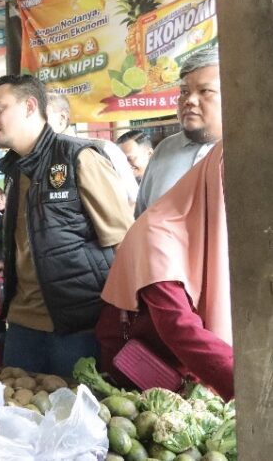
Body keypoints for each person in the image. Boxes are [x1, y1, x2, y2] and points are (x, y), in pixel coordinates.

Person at [0, 74, 133, 376]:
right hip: (22, 323)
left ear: (29, 106)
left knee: (77, 416)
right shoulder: (14, 171)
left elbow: (125, 242)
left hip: (77, 325)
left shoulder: (79, 157)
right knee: (20, 413)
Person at [96, 142, 232, 400]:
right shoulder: (157, 234)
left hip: (187, 376)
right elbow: (178, 327)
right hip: (146, 380)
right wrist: (251, 383)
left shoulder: (214, 229)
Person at [135, 47, 222, 217]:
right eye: (184, 92)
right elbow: (142, 218)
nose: (189, 100)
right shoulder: (164, 149)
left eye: (205, 91)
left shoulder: (250, 151)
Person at [47, 92, 139, 207]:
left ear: (62, 118)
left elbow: (134, 201)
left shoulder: (103, 149)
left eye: (42, 116)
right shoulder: (33, 160)